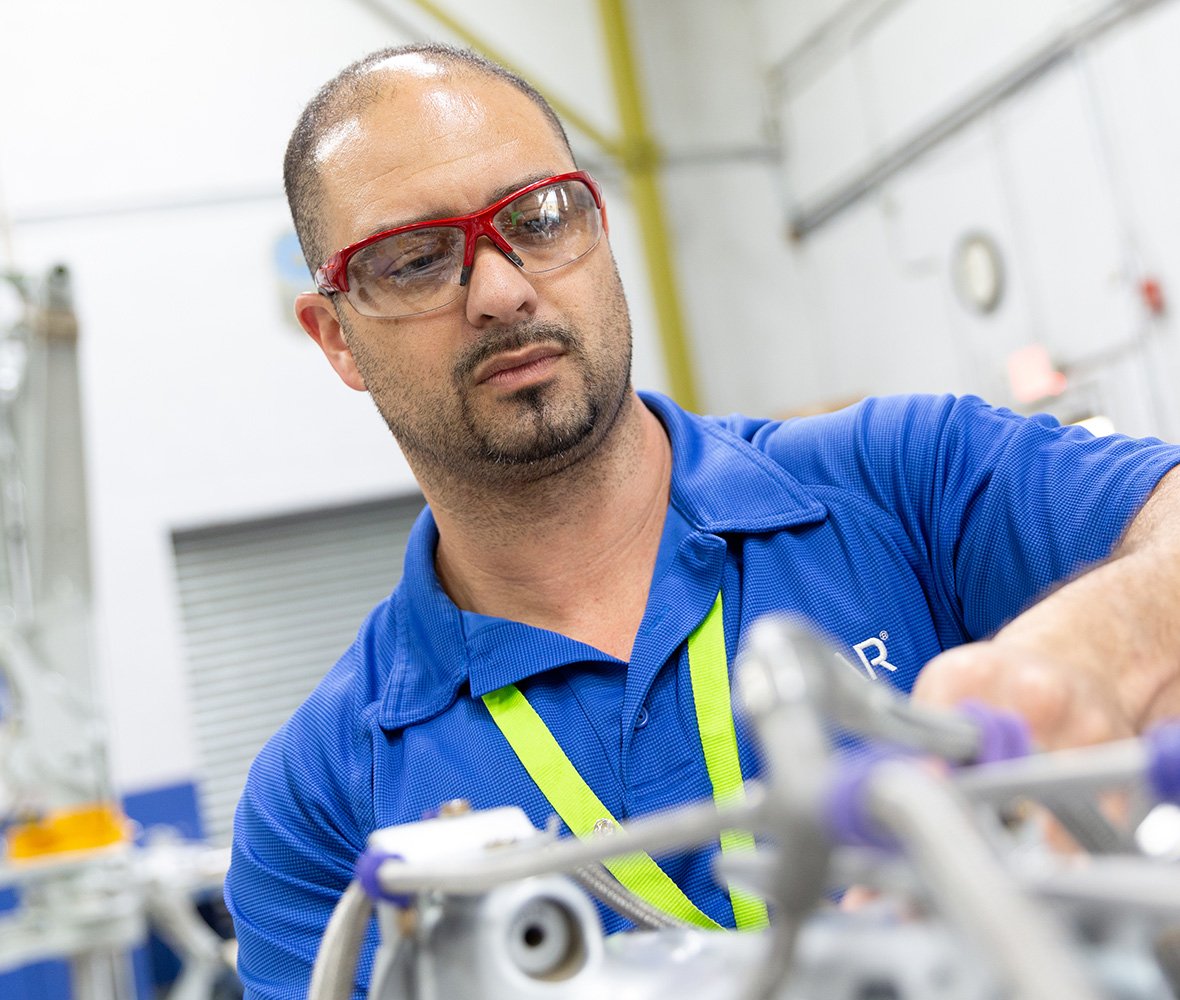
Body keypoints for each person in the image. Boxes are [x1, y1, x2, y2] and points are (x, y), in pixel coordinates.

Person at [225, 42, 1180, 998]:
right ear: (336, 335)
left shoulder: (904, 480)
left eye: (538, 216)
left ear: (596, 226)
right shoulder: (317, 804)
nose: (502, 289)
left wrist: (1104, 644)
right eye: (415, 259)